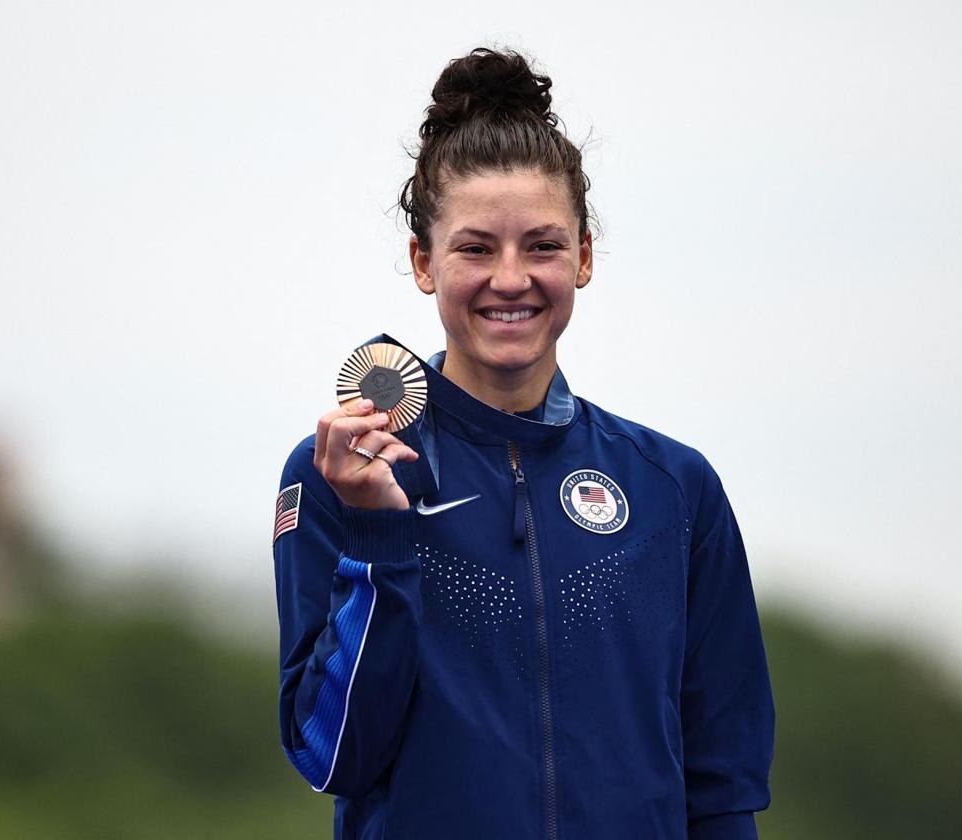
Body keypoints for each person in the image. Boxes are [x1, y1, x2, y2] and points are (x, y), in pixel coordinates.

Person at [272, 46, 774, 839]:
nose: (511, 278)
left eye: (541, 245)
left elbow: (722, 785)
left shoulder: (673, 489)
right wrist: (377, 533)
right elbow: (333, 757)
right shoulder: (343, 470)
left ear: (582, 258)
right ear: (423, 263)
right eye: (476, 247)